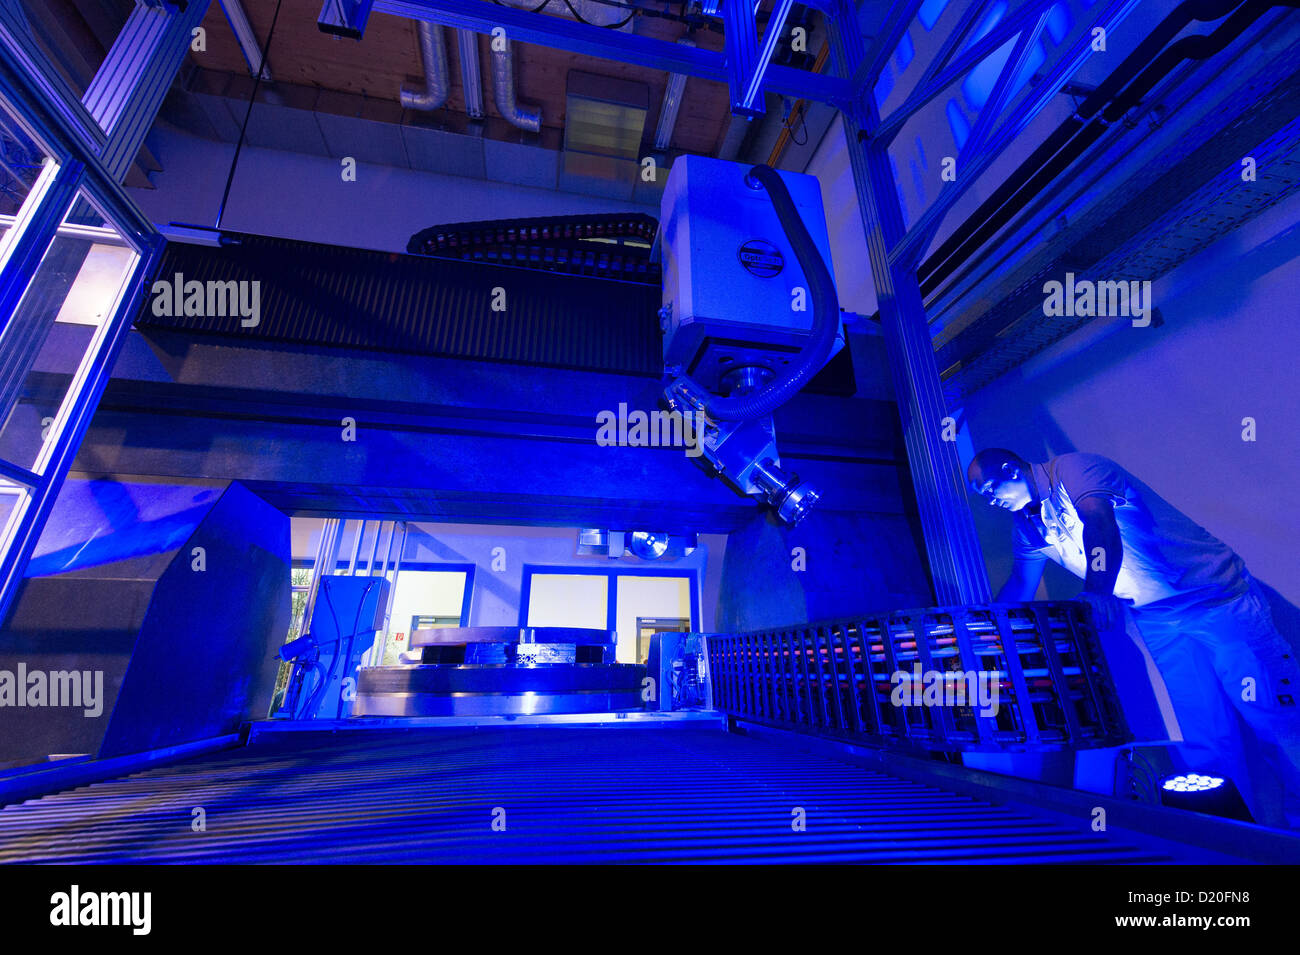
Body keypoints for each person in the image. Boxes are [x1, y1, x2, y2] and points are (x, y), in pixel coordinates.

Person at [967, 447, 1300, 828]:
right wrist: (985, 640)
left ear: (1010, 469)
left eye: (989, 489)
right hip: (1156, 620)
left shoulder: (1074, 469)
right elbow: (1020, 584)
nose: (991, 501)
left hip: (1219, 602)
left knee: (1279, 723)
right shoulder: (1028, 527)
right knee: (1199, 739)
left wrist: (1097, 591)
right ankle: (1230, 841)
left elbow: (1099, 522)